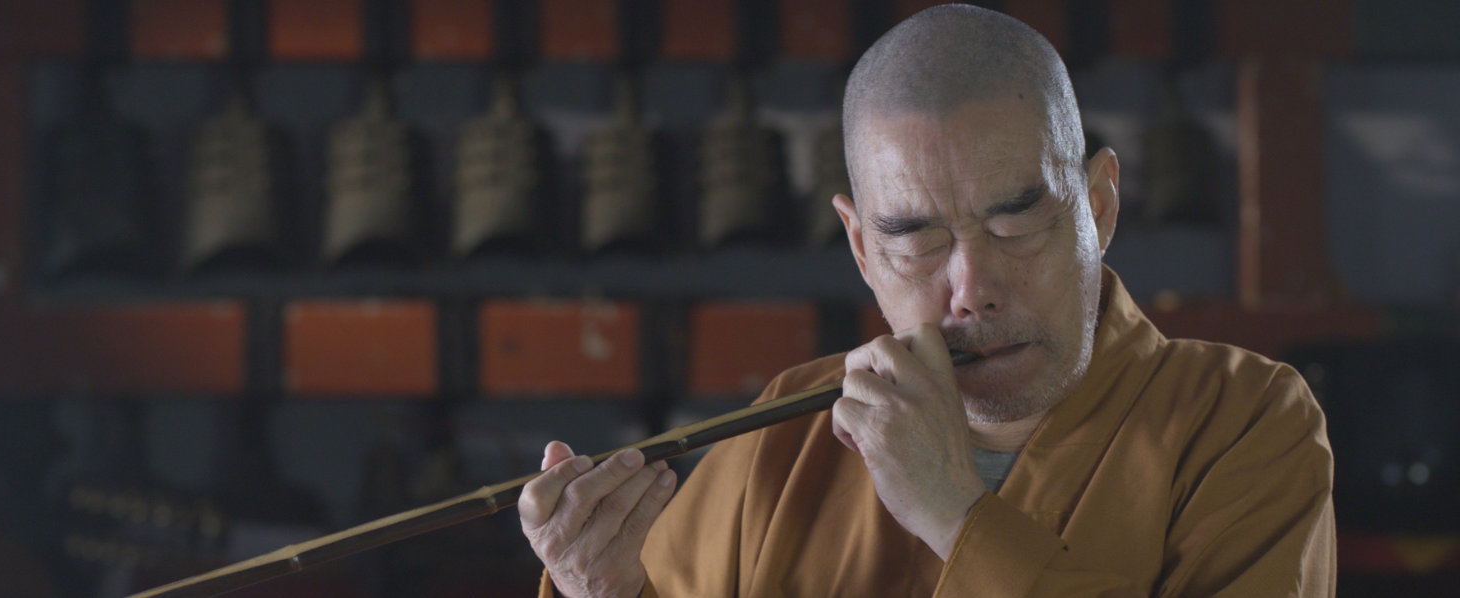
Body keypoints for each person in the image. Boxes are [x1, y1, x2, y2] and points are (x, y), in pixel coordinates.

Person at [518, 5, 1336, 597]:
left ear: (1099, 207)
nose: (971, 290)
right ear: (862, 247)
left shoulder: (1244, 421)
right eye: (917, 239)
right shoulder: (790, 433)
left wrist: (954, 510)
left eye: (1016, 222)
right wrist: (610, 593)